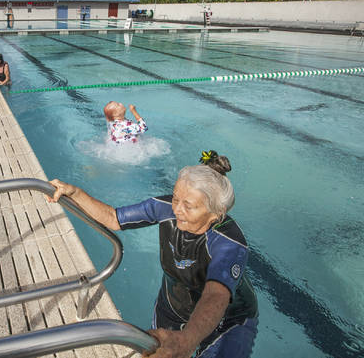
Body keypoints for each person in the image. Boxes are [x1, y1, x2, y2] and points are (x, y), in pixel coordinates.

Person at [47, 150, 258, 358]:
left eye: (189, 205)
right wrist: (75, 193)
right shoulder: (165, 208)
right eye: (176, 198)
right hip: (172, 307)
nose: (177, 210)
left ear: (216, 213)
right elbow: (113, 218)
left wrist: (187, 340)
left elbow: (216, 294)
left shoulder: (229, 242)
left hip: (229, 320)